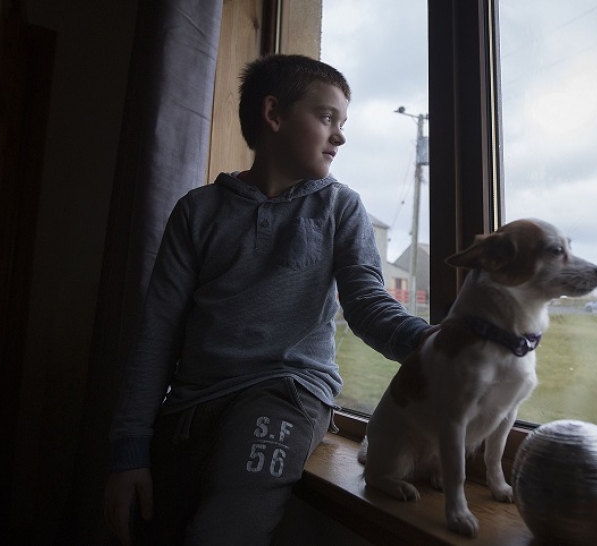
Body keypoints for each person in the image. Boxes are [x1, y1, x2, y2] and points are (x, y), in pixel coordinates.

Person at [103, 53, 431, 546]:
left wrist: (437, 344)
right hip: (192, 405)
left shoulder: (340, 206)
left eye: (343, 122)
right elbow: (157, 333)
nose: (339, 135)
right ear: (274, 115)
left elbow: (367, 303)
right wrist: (129, 451)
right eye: (326, 118)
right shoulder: (197, 212)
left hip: (286, 392)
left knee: (223, 531)